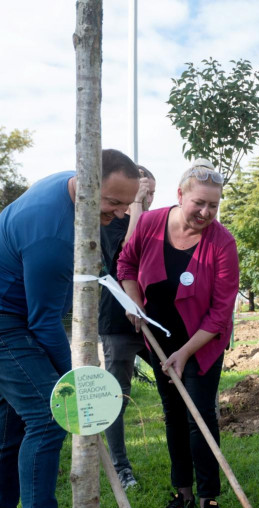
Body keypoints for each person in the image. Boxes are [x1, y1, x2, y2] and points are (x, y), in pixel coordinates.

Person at [0, 149, 140, 508]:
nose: (119, 214)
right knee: (47, 419)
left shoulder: (72, 192)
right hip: (8, 322)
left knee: (11, 429)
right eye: (113, 203)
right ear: (86, 181)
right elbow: (43, 322)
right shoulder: (52, 236)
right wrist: (78, 383)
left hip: (19, 315)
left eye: (125, 204)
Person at [118, 159, 238, 508]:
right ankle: (182, 493)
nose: (205, 212)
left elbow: (220, 313)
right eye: (198, 203)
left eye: (213, 206)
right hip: (159, 337)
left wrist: (185, 354)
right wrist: (134, 301)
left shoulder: (222, 243)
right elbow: (125, 263)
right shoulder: (151, 224)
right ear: (180, 194)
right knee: (173, 413)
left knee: (199, 413)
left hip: (202, 343)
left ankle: (209, 498)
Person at [99, 165, 156, 490]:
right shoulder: (113, 221)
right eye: (142, 193)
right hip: (117, 324)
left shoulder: (158, 222)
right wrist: (134, 210)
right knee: (117, 397)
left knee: (174, 379)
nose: (147, 199)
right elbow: (122, 259)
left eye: (150, 192)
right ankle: (122, 468)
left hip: (151, 321)